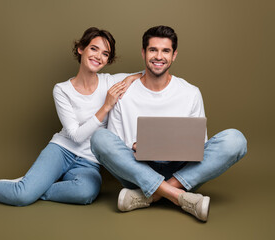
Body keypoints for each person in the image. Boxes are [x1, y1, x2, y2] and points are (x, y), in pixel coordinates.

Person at [0, 27, 142, 206]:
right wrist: (106, 106)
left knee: (85, 194)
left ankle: (29, 185)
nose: (98, 56)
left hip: (89, 162)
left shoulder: (110, 82)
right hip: (61, 150)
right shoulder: (62, 89)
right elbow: (75, 136)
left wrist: (132, 77)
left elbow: (147, 73)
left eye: (105, 53)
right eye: (94, 49)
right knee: (22, 197)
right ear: (81, 49)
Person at [90, 25, 247, 221]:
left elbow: (200, 147)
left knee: (236, 140)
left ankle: (150, 196)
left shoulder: (190, 92)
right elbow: (116, 144)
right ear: (143, 53)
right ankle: (180, 197)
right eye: (153, 49)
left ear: (174, 55)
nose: (159, 56)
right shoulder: (124, 92)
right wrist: (136, 146)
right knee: (99, 138)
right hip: (138, 171)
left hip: (183, 172)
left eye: (166, 51)